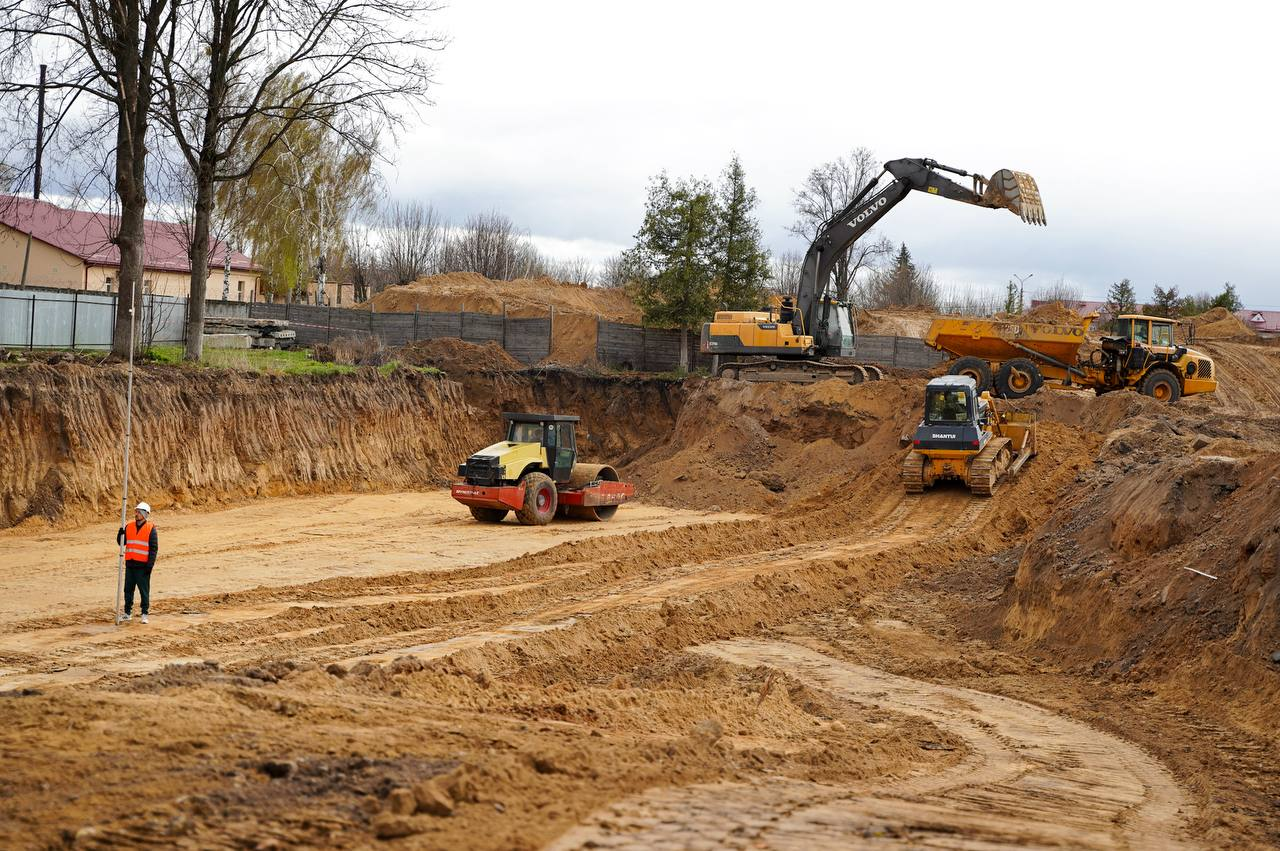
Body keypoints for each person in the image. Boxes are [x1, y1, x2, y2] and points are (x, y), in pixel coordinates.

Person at [117, 501, 158, 624]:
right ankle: (127, 613)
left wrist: (150, 565)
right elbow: (121, 543)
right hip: (130, 564)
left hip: (143, 566)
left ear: (145, 514)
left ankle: (144, 613)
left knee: (144, 591)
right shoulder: (129, 526)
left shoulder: (151, 529)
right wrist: (120, 534)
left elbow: (153, 548)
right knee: (128, 590)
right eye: (136, 511)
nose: (136, 514)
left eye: (138, 512)